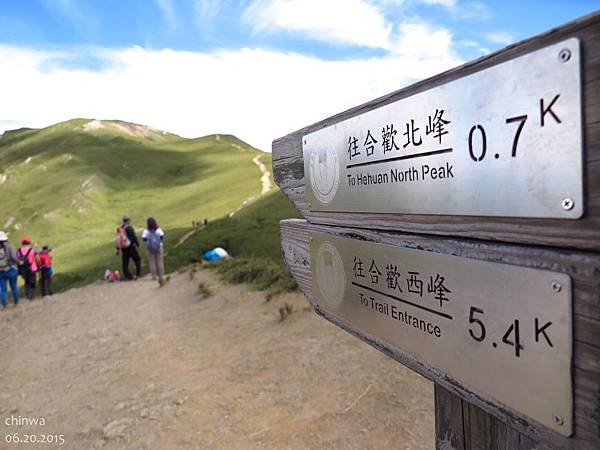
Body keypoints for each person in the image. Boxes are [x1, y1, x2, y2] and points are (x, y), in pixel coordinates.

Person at [115, 216, 141, 280]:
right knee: (137, 259)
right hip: (131, 247)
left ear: (123, 221)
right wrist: (137, 244)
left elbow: (117, 239)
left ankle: (128, 276)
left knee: (125, 263)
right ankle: (137, 274)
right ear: (128, 221)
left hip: (123, 248)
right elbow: (133, 237)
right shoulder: (129, 228)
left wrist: (118, 249)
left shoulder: (119, 229)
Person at [0, 231, 22, 309]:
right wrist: (20, 262)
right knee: (14, 286)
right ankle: (16, 303)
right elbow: (14, 257)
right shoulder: (10, 246)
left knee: (3, 289)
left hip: (1, 272)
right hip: (11, 269)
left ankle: (4, 305)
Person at [142, 217, 165, 286]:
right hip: (159, 247)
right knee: (160, 261)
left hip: (150, 248)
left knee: (152, 262)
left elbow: (144, 238)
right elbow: (162, 237)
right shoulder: (159, 229)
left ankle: (154, 276)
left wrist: (149, 241)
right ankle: (161, 276)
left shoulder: (146, 231)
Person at [17, 236, 38, 300]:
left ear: (22, 243)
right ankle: (32, 296)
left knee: (27, 282)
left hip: (23, 269)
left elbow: (17, 259)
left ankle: (27, 295)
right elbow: (37, 256)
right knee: (33, 282)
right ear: (29, 243)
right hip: (32, 268)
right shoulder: (32, 250)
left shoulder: (19, 251)